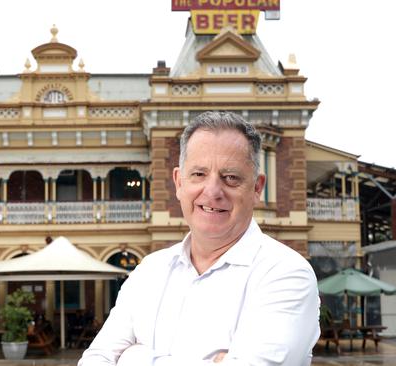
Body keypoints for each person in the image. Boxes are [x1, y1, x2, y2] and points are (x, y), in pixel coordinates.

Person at [78, 111, 320, 365]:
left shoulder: (286, 273)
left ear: (257, 187)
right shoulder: (149, 270)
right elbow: (95, 359)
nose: (213, 191)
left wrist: (133, 358)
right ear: (179, 182)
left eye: (231, 178)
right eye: (199, 174)